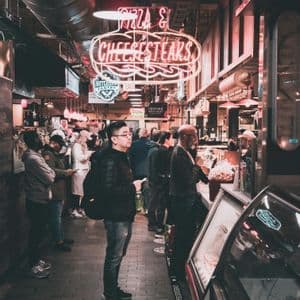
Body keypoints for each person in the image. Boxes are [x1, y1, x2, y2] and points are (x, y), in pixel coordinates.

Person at [98, 121, 142, 300]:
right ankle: (109, 293)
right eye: (125, 134)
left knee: (118, 254)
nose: (129, 136)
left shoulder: (123, 156)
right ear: (114, 139)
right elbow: (107, 191)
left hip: (124, 214)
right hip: (115, 216)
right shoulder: (110, 159)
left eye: (130, 133)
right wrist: (133, 187)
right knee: (114, 255)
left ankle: (113, 289)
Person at [169, 124, 209, 280]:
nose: (196, 139)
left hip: (184, 200)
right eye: (194, 136)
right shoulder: (179, 154)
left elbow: (193, 174)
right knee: (183, 237)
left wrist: (204, 175)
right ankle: (177, 272)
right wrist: (198, 165)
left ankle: (178, 269)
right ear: (184, 137)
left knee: (183, 236)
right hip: (183, 202)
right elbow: (188, 181)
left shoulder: (183, 152)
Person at [22, 130, 55, 279]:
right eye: (39, 137)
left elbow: (50, 172)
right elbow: (50, 177)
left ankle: (36, 261)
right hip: (36, 200)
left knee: (39, 232)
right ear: (33, 140)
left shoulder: (35, 156)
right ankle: (33, 266)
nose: (42, 139)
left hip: (39, 198)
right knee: (36, 233)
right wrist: (50, 172)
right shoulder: (33, 159)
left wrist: (50, 171)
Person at [43, 135, 76, 252]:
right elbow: (51, 171)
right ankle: (58, 241)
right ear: (53, 143)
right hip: (54, 190)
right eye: (59, 144)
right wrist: (66, 172)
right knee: (55, 217)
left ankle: (60, 237)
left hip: (59, 189)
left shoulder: (54, 154)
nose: (60, 147)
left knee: (58, 216)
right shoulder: (48, 154)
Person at [147, 131, 174, 233]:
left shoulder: (157, 150)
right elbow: (157, 168)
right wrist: (160, 180)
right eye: (171, 138)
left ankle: (156, 224)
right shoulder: (160, 151)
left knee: (156, 203)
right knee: (158, 204)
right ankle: (156, 225)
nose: (173, 141)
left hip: (157, 181)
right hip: (159, 182)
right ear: (166, 139)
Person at [71, 130, 93, 218]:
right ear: (82, 137)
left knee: (83, 191)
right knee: (77, 192)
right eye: (86, 138)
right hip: (78, 170)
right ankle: (74, 210)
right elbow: (80, 158)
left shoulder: (83, 145)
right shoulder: (76, 146)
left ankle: (80, 208)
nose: (87, 140)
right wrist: (89, 154)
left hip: (84, 170)